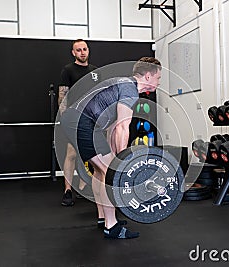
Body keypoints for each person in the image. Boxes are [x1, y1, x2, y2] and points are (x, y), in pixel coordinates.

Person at [59, 57, 162, 239]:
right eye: (158, 78)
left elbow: (113, 128)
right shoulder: (130, 89)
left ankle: (103, 217)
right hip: (82, 122)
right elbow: (123, 126)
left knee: (101, 172)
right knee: (109, 174)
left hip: (84, 123)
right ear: (148, 76)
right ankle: (111, 226)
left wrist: (115, 155)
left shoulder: (123, 84)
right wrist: (121, 163)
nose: (159, 82)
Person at [58, 39, 99, 207]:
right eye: (78, 50)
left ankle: (84, 185)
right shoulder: (68, 70)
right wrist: (63, 118)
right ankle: (68, 189)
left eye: (84, 49)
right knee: (72, 153)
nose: (82, 52)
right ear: (73, 53)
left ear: (88, 51)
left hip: (92, 118)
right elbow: (63, 95)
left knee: (92, 153)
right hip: (74, 117)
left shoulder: (96, 71)